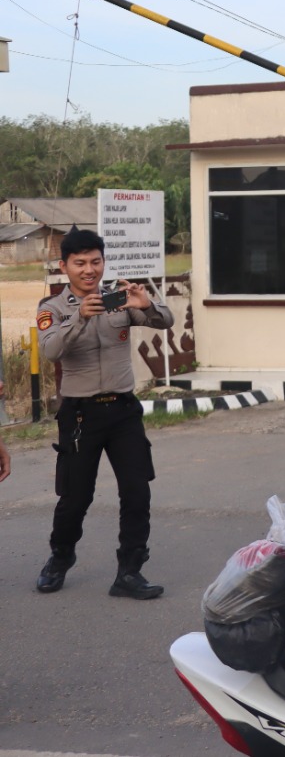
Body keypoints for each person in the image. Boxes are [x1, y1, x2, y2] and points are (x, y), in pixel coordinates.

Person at [35, 227, 174, 598]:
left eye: (95, 262)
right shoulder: (52, 308)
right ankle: (60, 557)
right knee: (76, 497)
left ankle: (129, 571)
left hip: (123, 411)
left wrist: (146, 305)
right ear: (64, 266)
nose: (89, 270)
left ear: (103, 262)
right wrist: (79, 316)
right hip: (80, 416)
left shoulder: (118, 299)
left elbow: (165, 322)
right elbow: (50, 351)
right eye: (80, 263)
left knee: (137, 492)